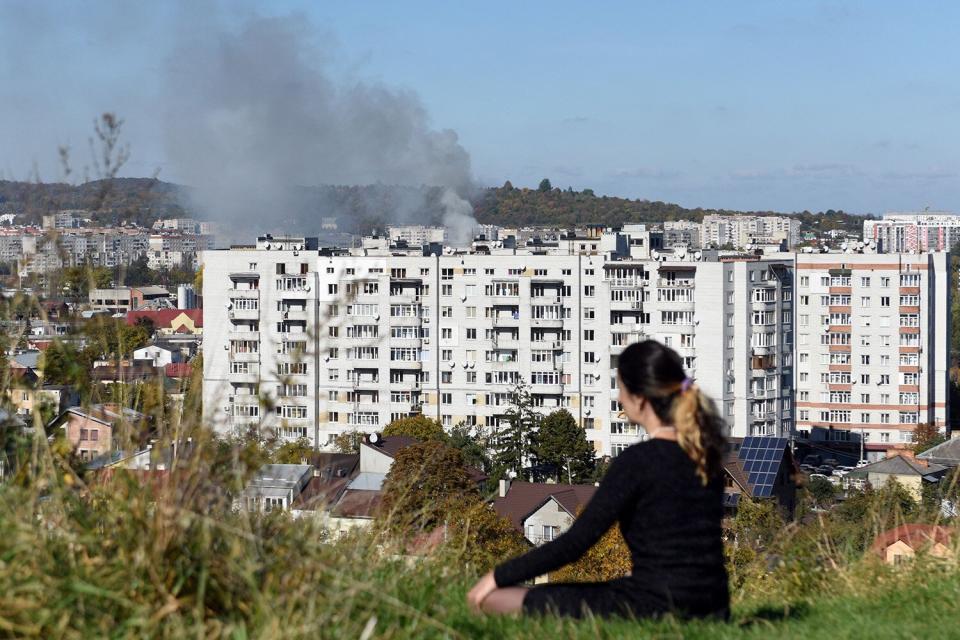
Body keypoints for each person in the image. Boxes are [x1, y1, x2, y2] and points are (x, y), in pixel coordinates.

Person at [467, 339, 730, 620]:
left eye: (621, 388)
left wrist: (496, 577)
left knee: (493, 600)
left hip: (655, 605)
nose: (619, 399)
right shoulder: (707, 455)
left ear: (639, 398)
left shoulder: (639, 460)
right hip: (714, 607)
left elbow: (576, 543)